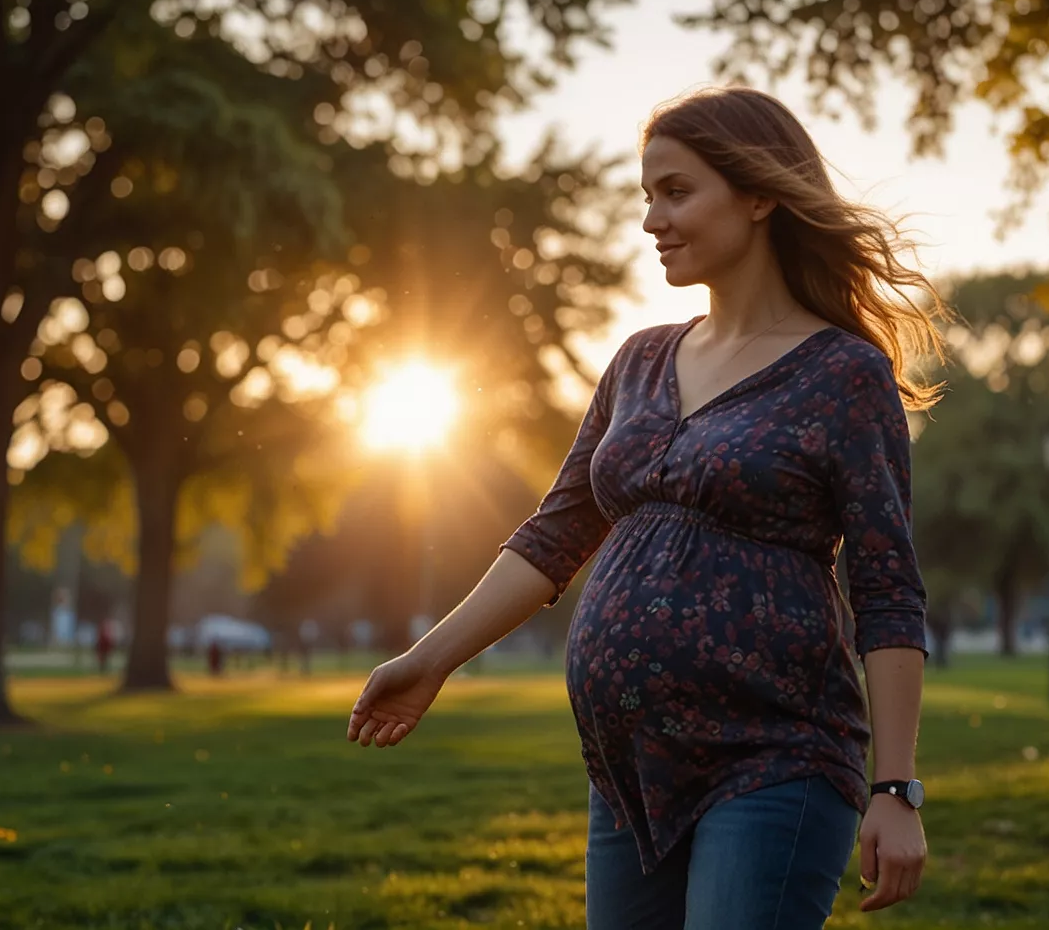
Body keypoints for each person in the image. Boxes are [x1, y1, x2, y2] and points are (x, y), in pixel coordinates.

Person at [347, 86, 940, 927]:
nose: (651, 219)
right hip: (628, 773)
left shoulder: (843, 374)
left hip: (776, 759)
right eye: (647, 195)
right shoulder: (639, 361)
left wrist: (896, 787)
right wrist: (430, 659)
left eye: (676, 192)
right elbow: (555, 536)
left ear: (759, 195)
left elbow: (887, 588)